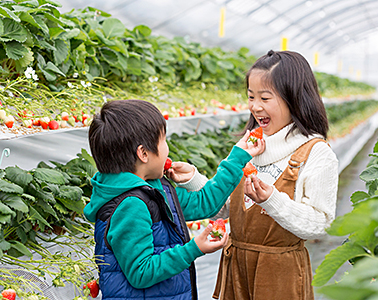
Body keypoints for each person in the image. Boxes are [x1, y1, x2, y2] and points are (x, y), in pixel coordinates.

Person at [180, 50, 339, 299]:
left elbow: (319, 223)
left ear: (295, 99)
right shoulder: (250, 146)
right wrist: (194, 179)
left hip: (279, 272)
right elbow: (228, 207)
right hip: (236, 267)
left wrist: (271, 200)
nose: (254, 106)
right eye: (251, 97)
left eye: (265, 98)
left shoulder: (316, 153)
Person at [83, 99, 265, 300]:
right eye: (163, 141)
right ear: (143, 153)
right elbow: (141, 272)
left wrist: (238, 157)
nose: (167, 148)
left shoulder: (155, 188)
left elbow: (207, 202)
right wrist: (193, 249)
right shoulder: (130, 205)